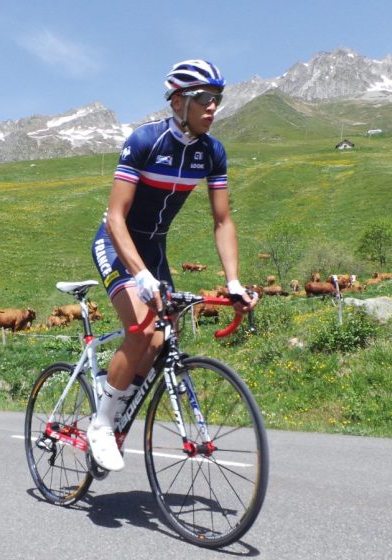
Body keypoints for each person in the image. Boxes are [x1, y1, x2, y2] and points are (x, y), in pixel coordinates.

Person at [89, 59, 258, 471]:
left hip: (155, 248)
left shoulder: (212, 152)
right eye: (205, 99)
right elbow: (115, 218)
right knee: (143, 328)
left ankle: (120, 399)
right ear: (179, 101)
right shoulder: (146, 141)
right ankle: (100, 423)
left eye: (218, 100)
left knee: (165, 336)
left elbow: (223, 220)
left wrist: (233, 281)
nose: (213, 107)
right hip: (116, 242)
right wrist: (141, 275)